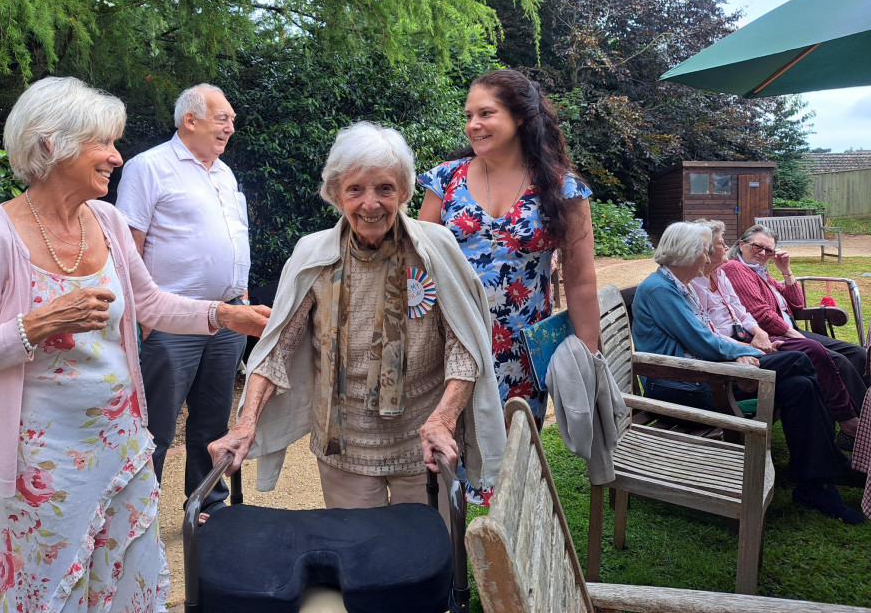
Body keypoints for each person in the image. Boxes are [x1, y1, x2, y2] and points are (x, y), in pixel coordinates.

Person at [0, 77, 270, 611]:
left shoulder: (106, 220)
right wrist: (35, 325)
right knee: (49, 589)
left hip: (125, 445)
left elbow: (150, 302)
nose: (116, 156)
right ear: (49, 145)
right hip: (46, 464)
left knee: (129, 583)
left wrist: (222, 314)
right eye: (103, 143)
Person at [208, 122, 505, 517]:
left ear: (403, 191)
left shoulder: (435, 249)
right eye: (355, 189)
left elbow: (464, 347)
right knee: (359, 559)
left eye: (385, 188)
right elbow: (277, 346)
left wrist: (443, 420)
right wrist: (244, 425)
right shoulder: (313, 255)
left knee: (426, 558)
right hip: (343, 447)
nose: (371, 203)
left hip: (424, 444)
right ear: (336, 194)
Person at [632, 221, 863, 524]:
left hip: (707, 373)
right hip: (684, 386)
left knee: (801, 387)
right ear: (687, 253)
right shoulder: (661, 290)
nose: (708, 258)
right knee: (799, 362)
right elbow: (701, 341)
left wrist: (739, 356)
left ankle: (813, 485)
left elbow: (706, 336)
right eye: (704, 251)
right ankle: (832, 466)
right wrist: (751, 353)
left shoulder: (678, 285)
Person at [418, 69, 599, 430]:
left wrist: (587, 356)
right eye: (469, 116)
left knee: (512, 452)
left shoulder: (564, 189)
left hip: (522, 352)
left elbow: (580, 281)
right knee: (451, 448)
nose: (473, 125)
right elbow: (419, 269)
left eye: (486, 113)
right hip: (452, 343)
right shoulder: (444, 180)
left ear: (520, 117)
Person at [115, 83, 250, 513]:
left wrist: (242, 295)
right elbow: (128, 246)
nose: (231, 126)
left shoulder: (223, 173)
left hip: (228, 318)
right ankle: (138, 518)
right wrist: (143, 317)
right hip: (171, 320)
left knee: (213, 422)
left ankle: (207, 505)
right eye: (222, 117)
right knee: (154, 427)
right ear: (190, 120)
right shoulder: (148, 167)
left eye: (231, 119)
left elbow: (232, 237)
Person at [690, 220, 860, 438]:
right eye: (757, 247)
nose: (763, 253)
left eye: (768, 250)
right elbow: (760, 315)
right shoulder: (735, 268)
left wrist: (787, 271)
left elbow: (796, 304)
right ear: (741, 244)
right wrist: (792, 334)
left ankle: (860, 420)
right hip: (772, 336)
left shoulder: (757, 271)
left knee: (854, 353)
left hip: (777, 333)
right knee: (830, 359)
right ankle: (853, 425)